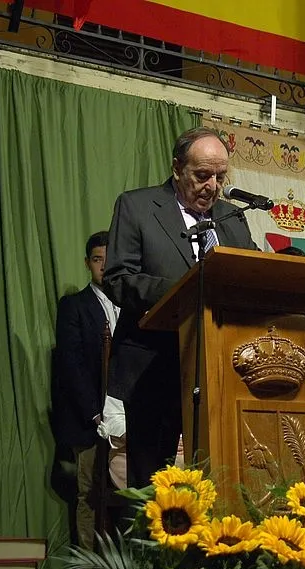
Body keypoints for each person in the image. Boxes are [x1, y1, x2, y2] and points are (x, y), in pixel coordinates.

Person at [103, 127, 259, 487]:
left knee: (221, 475)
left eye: (220, 177)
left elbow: (250, 275)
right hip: (154, 365)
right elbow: (119, 278)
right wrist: (185, 290)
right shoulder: (137, 206)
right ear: (177, 168)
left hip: (223, 369)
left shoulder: (233, 218)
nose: (212, 186)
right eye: (202, 175)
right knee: (153, 483)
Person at [52, 231, 121, 549]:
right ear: (87, 263)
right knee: (91, 495)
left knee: (131, 495)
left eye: (109, 260)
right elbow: (72, 364)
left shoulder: (131, 306)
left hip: (128, 419)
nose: (103, 266)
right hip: (91, 421)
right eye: (97, 260)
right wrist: (95, 414)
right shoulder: (74, 305)